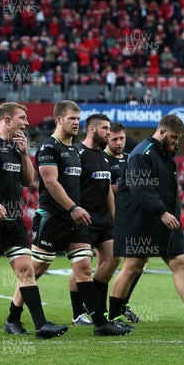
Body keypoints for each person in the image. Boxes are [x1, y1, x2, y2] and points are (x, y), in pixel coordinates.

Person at [6, 101, 131, 337]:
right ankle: (13, 317)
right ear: (59, 120)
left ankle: (100, 323)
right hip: (52, 218)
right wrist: (74, 207)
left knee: (84, 267)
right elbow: (51, 183)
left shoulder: (74, 151)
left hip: (75, 220)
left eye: (78, 119)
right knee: (36, 269)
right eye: (72, 118)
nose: (76, 122)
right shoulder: (48, 148)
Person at [0, 102, 68, 339]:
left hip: (14, 218)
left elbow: (28, 180)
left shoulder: (14, 147)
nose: (27, 122)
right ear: (7, 120)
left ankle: (41, 326)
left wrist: (24, 152)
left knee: (25, 269)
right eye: (22, 118)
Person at [111, 115, 184, 330]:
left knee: (180, 262)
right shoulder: (141, 154)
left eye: (179, 138)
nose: (177, 142)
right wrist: (162, 212)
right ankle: (114, 316)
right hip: (140, 219)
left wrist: (169, 213)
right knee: (133, 265)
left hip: (166, 218)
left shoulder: (164, 153)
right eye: (174, 137)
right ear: (162, 132)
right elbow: (140, 189)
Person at [67, 114, 126, 326]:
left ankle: (95, 304)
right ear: (92, 130)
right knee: (82, 266)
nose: (109, 133)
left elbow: (108, 190)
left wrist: (114, 217)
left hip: (104, 220)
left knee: (113, 258)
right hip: (83, 220)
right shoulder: (77, 153)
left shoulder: (103, 156)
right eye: (105, 129)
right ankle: (78, 314)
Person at [103, 122, 142, 322]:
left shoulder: (130, 159)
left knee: (137, 264)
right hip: (107, 219)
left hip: (130, 219)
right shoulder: (102, 159)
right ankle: (98, 307)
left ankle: (122, 304)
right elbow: (103, 188)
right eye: (114, 139)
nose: (119, 143)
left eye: (122, 138)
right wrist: (129, 186)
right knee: (102, 262)